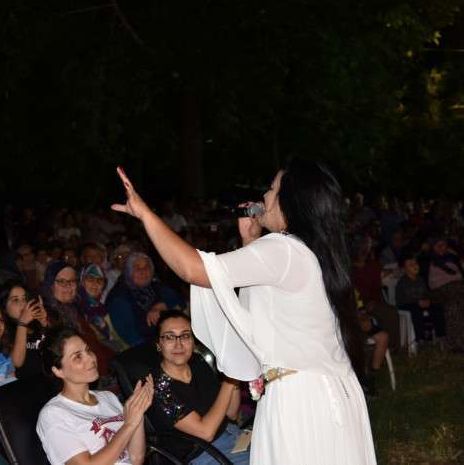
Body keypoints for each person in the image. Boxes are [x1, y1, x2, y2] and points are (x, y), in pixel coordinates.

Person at [112, 160, 376, 464]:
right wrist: (250, 242)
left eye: (272, 189)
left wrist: (145, 214)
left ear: (289, 201)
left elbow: (192, 269)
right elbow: (257, 321)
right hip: (320, 390)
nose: (264, 195)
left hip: (302, 398)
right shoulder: (308, 250)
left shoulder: (284, 249)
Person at [36, 326, 152, 465]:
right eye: (78, 357)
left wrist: (137, 412)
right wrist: (128, 425)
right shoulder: (53, 414)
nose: (91, 358)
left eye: (88, 350)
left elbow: (136, 458)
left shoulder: (108, 397)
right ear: (58, 371)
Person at [152, 310, 250, 465]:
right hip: (203, 454)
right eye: (169, 337)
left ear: (193, 341)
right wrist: (228, 381)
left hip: (233, 435)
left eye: (185, 336)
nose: (179, 344)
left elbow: (231, 413)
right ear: (159, 344)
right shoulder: (159, 388)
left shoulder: (198, 363)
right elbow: (205, 433)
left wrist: (233, 376)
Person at [41, 261, 115, 379]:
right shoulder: (46, 315)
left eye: (72, 281)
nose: (68, 286)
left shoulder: (73, 309)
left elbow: (93, 343)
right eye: (61, 281)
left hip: (99, 371)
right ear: (50, 284)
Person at [106, 253, 184, 347]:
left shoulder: (154, 285)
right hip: (148, 347)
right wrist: (161, 347)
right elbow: (132, 337)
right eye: (137, 268)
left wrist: (162, 305)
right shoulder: (119, 297)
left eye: (147, 267)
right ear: (128, 271)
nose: (143, 271)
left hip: (173, 337)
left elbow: (181, 301)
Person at [0, 282, 49, 378]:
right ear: (4, 308)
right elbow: (17, 362)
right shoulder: (3, 331)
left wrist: (44, 324)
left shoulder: (34, 325)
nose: (22, 304)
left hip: (45, 379)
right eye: (16, 300)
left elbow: (53, 353)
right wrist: (22, 323)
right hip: (24, 383)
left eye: (24, 299)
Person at [395, 255, 446, 342]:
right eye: (411, 265)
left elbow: (425, 293)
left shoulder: (421, 279)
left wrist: (429, 299)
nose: (415, 266)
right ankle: (420, 339)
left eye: (415, 263)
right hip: (406, 304)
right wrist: (417, 302)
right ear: (404, 269)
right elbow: (402, 299)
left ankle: (440, 335)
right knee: (416, 312)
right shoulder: (402, 283)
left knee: (437, 307)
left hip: (420, 302)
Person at [76, 264, 126, 353]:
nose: (95, 284)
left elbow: (117, 335)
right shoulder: (75, 308)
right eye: (90, 279)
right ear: (82, 281)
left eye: (99, 280)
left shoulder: (102, 309)